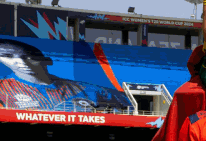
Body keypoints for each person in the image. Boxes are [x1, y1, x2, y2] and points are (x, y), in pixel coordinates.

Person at [0, 38, 129, 111]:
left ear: (47, 61)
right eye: (8, 56)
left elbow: (131, 108)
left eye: (28, 57)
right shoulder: (2, 89)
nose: (21, 62)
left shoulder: (89, 90)